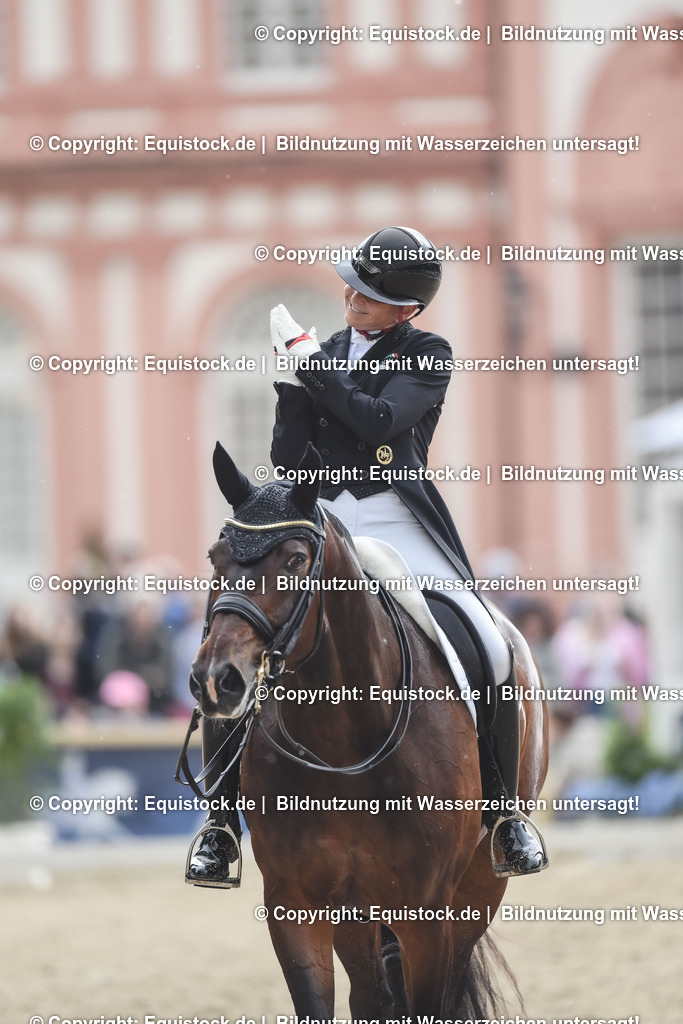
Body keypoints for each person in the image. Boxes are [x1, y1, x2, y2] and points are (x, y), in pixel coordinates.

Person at [187, 225, 548, 886]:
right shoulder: (320, 354)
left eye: (368, 292)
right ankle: (218, 825)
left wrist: (314, 371)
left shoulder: (426, 353)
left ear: (404, 308)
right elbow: (294, 461)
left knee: (488, 643)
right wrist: (293, 388)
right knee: (233, 639)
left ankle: (503, 813)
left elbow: (376, 424)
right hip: (323, 517)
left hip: (397, 516)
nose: (350, 297)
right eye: (351, 286)